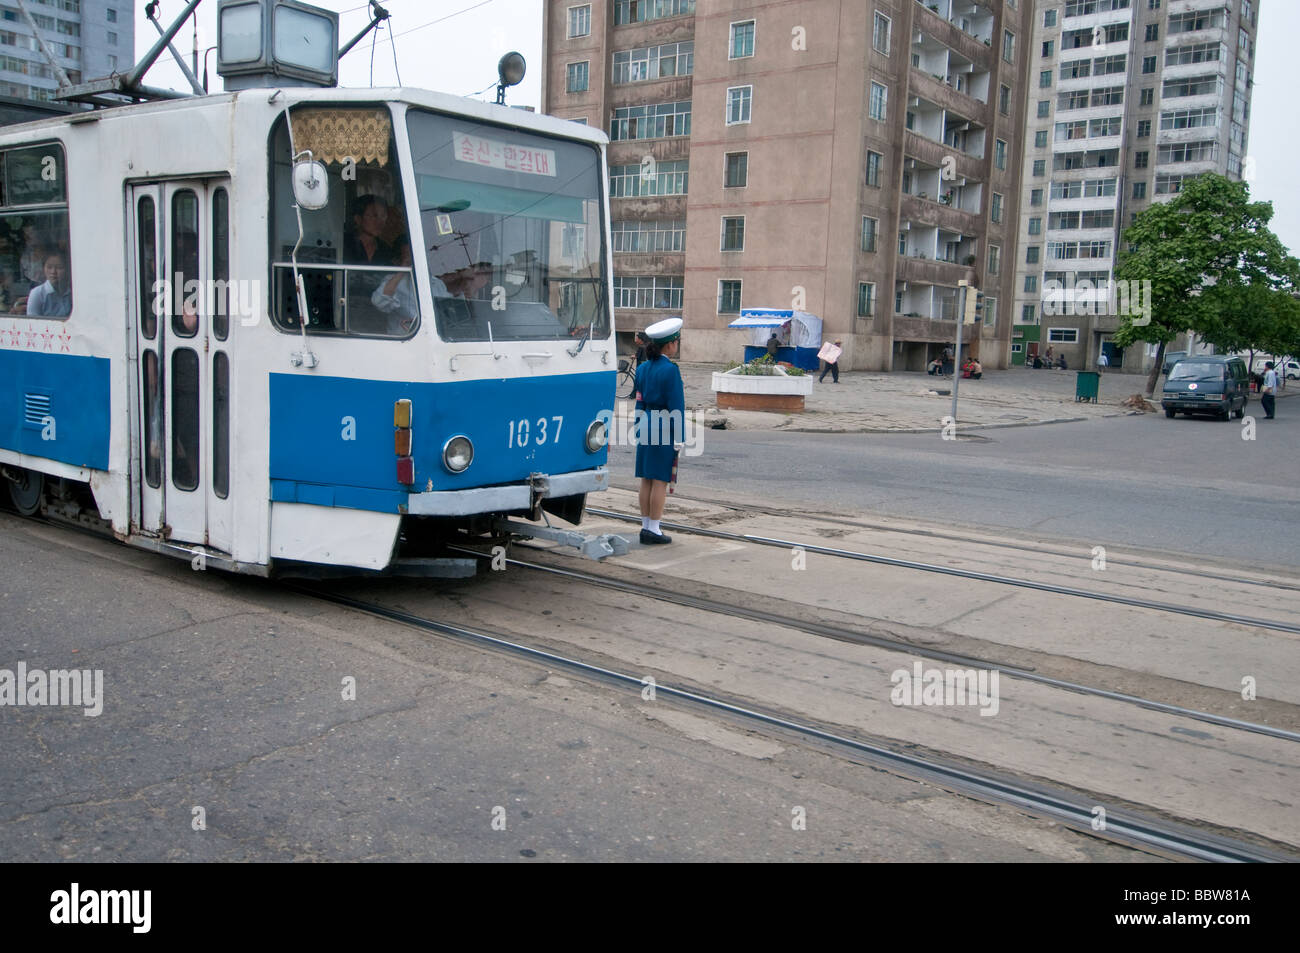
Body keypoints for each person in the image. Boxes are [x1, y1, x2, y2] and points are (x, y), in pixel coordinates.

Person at [635, 317, 685, 545]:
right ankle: (654, 529)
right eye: (677, 341)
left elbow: (639, 401)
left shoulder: (643, 368)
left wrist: (638, 426)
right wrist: (680, 437)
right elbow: (676, 407)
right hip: (664, 426)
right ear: (670, 344)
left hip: (645, 422)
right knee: (660, 480)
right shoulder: (671, 371)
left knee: (646, 478)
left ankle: (645, 525)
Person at [371, 239, 419, 334]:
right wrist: (404, 267)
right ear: (397, 259)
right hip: (403, 339)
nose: (412, 259)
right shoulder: (393, 280)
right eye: (407, 254)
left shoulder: (436, 283)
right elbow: (378, 301)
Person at [344, 195, 394, 266]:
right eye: (374, 216)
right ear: (358, 219)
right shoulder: (343, 244)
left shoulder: (385, 250)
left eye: (383, 216)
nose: (380, 222)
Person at [23, 252, 71, 317]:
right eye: (49, 267)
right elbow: (33, 322)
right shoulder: (37, 293)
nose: (53, 272)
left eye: (59, 267)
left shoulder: (72, 292)